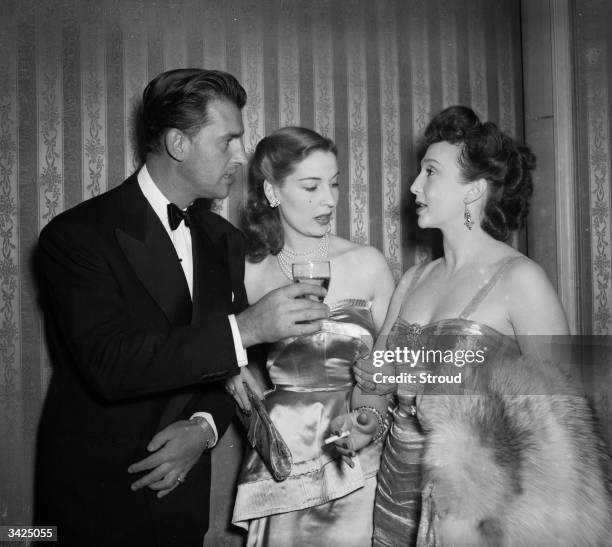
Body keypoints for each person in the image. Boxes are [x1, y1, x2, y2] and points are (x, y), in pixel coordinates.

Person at [34, 69, 329, 547]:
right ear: (177, 143)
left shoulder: (224, 242)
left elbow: (232, 364)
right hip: (90, 507)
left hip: (180, 510)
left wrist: (205, 427)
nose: (241, 155)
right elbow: (110, 364)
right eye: (228, 140)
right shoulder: (75, 236)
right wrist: (247, 326)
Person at [331, 106, 610, 545]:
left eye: (430, 172)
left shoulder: (522, 281)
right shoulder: (413, 280)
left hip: (475, 514)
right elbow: (377, 382)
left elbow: (564, 428)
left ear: (473, 191)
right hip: (394, 497)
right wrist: (365, 416)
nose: (414, 186)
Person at [228, 126, 395, 546]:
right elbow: (218, 350)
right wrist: (237, 378)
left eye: (334, 183)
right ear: (272, 191)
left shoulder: (368, 264)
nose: (329, 199)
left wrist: (370, 419)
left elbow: (395, 363)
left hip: (362, 450)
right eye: (311, 186)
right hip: (286, 453)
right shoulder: (249, 272)